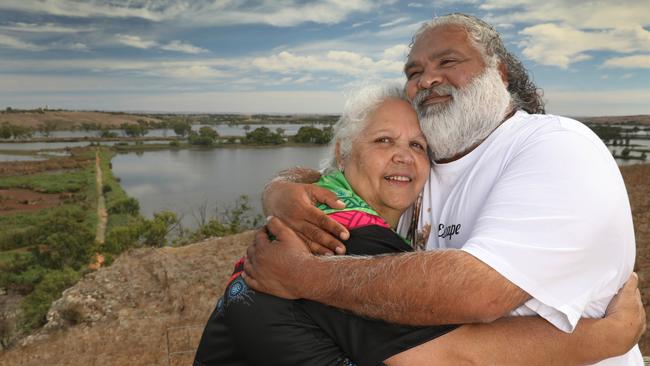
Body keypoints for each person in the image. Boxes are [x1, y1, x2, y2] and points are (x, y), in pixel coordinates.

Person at [243, 13, 645, 365]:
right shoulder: (424, 167)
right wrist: (280, 188)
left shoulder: (553, 144)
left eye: (447, 61)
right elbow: (345, 179)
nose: (428, 79)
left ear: (499, 74)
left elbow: (479, 292)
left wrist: (305, 276)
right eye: (413, 72)